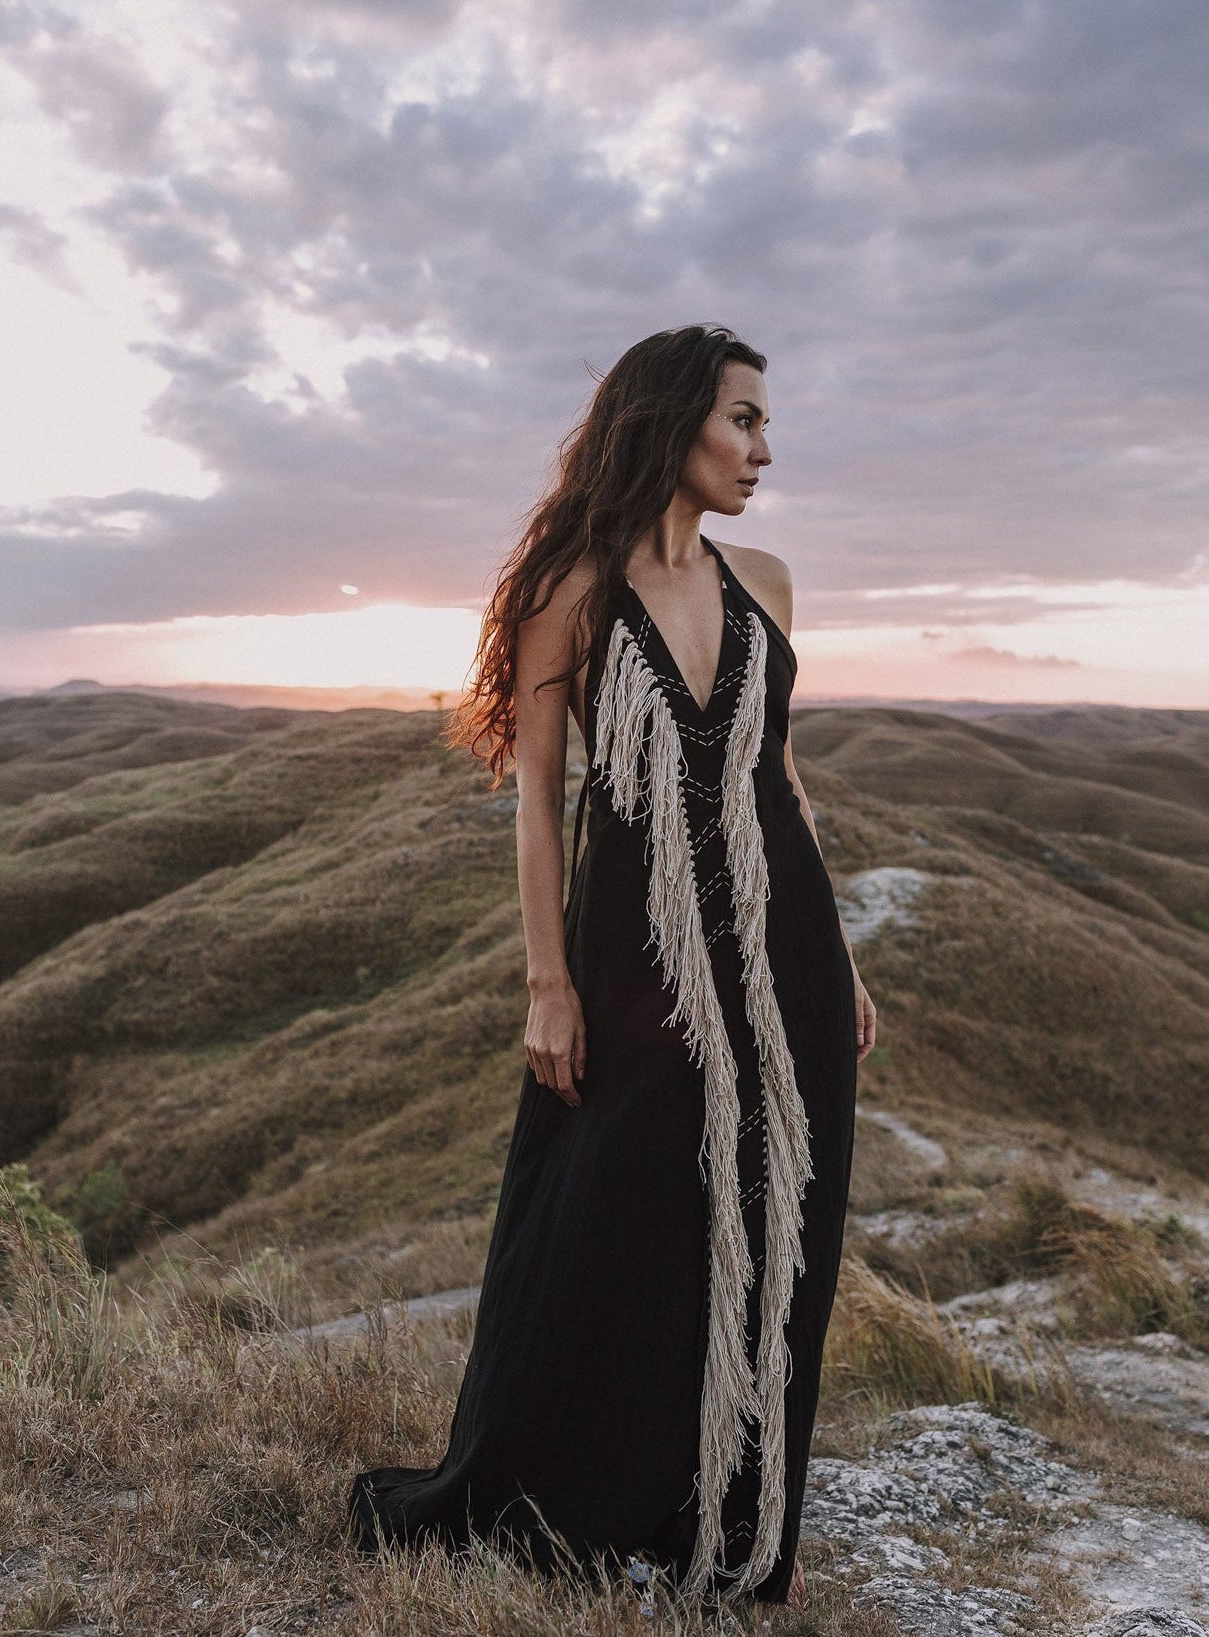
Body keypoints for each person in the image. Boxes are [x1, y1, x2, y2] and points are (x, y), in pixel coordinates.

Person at [348, 323, 876, 1615]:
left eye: (763, 422)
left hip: (784, 958)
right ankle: (572, 1499)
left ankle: (745, 1528)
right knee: (618, 1230)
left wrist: (844, 963)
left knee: (780, 1228)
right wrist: (545, 980)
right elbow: (537, 802)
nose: (763, 448)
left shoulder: (770, 582)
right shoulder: (571, 593)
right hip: (635, 964)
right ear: (670, 421)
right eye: (742, 419)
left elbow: (782, 782)